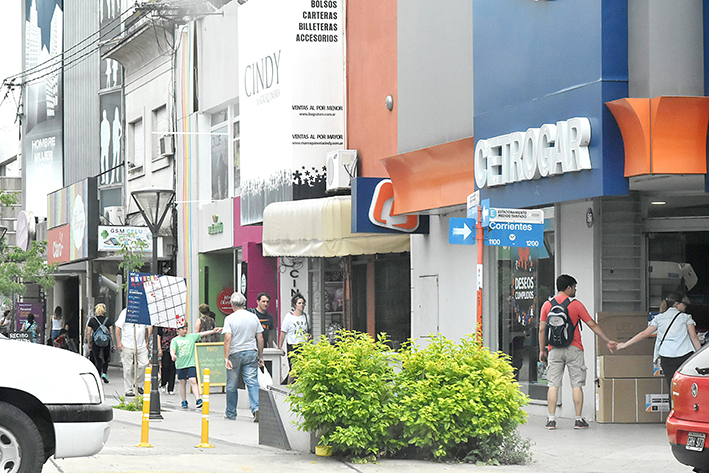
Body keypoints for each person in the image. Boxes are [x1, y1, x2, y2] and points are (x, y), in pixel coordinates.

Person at [538, 274, 617, 430]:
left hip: (553, 349)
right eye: (574, 287)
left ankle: (551, 420)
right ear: (568, 288)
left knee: (553, 385)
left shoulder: (547, 305)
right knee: (576, 385)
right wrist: (607, 340)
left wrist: (542, 350)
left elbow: (541, 329)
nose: (575, 290)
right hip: (574, 348)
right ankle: (578, 420)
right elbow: (592, 325)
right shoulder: (576, 305)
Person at [617, 293, 701, 393]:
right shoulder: (686, 317)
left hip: (667, 357)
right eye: (684, 304)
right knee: (687, 386)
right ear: (676, 304)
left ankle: (672, 407)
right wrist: (700, 356)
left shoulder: (659, 318)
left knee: (672, 386)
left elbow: (643, 334)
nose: (685, 306)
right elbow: (694, 337)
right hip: (685, 356)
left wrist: (624, 345)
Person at [223, 292, 264, 422]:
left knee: (231, 384)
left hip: (235, 353)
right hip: (251, 352)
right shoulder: (253, 317)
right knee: (252, 382)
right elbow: (260, 337)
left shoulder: (230, 319)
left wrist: (226, 358)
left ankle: (231, 412)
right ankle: (256, 408)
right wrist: (260, 355)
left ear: (232, 304)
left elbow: (227, 339)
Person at [170, 321, 222, 410]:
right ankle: (184, 400)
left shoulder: (191, 337)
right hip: (180, 364)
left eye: (186, 328)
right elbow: (173, 350)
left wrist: (213, 331)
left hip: (191, 363)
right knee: (182, 382)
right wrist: (173, 355)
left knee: (193, 380)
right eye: (183, 329)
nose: (185, 330)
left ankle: (198, 399)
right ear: (178, 330)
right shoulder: (175, 340)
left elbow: (202, 334)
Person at [115, 308, 150, 397]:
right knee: (128, 367)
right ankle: (128, 389)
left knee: (144, 364)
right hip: (127, 344)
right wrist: (119, 342)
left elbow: (146, 329)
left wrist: (146, 341)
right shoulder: (126, 312)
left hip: (141, 344)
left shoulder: (143, 312)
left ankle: (138, 384)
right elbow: (118, 327)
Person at [279, 293, 311, 381]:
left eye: (303, 303)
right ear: (295, 305)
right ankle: (289, 387)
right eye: (299, 303)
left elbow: (309, 330)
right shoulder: (289, 317)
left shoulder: (306, 317)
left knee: (302, 368)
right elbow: (283, 332)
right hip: (293, 345)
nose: (302, 305)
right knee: (294, 369)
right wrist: (280, 346)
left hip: (303, 345)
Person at [85, 303, 113, 384]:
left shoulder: (92, 320)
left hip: (95, 341)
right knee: (106, 358)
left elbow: (88, 332)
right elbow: (111, 332)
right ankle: (104, 373)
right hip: (106, 342)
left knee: (97, 358)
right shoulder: (107, 320)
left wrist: (88, 341)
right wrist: (113, 343)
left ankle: (97, 376)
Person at [158, 326, 178, 395]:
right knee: (165, 367)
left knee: (173, 368)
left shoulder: (176, 323)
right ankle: (163, 383)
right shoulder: (162, 324)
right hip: (165, 347)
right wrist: (159, 348)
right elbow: (159, 336)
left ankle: (171, 388)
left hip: (174, 348)